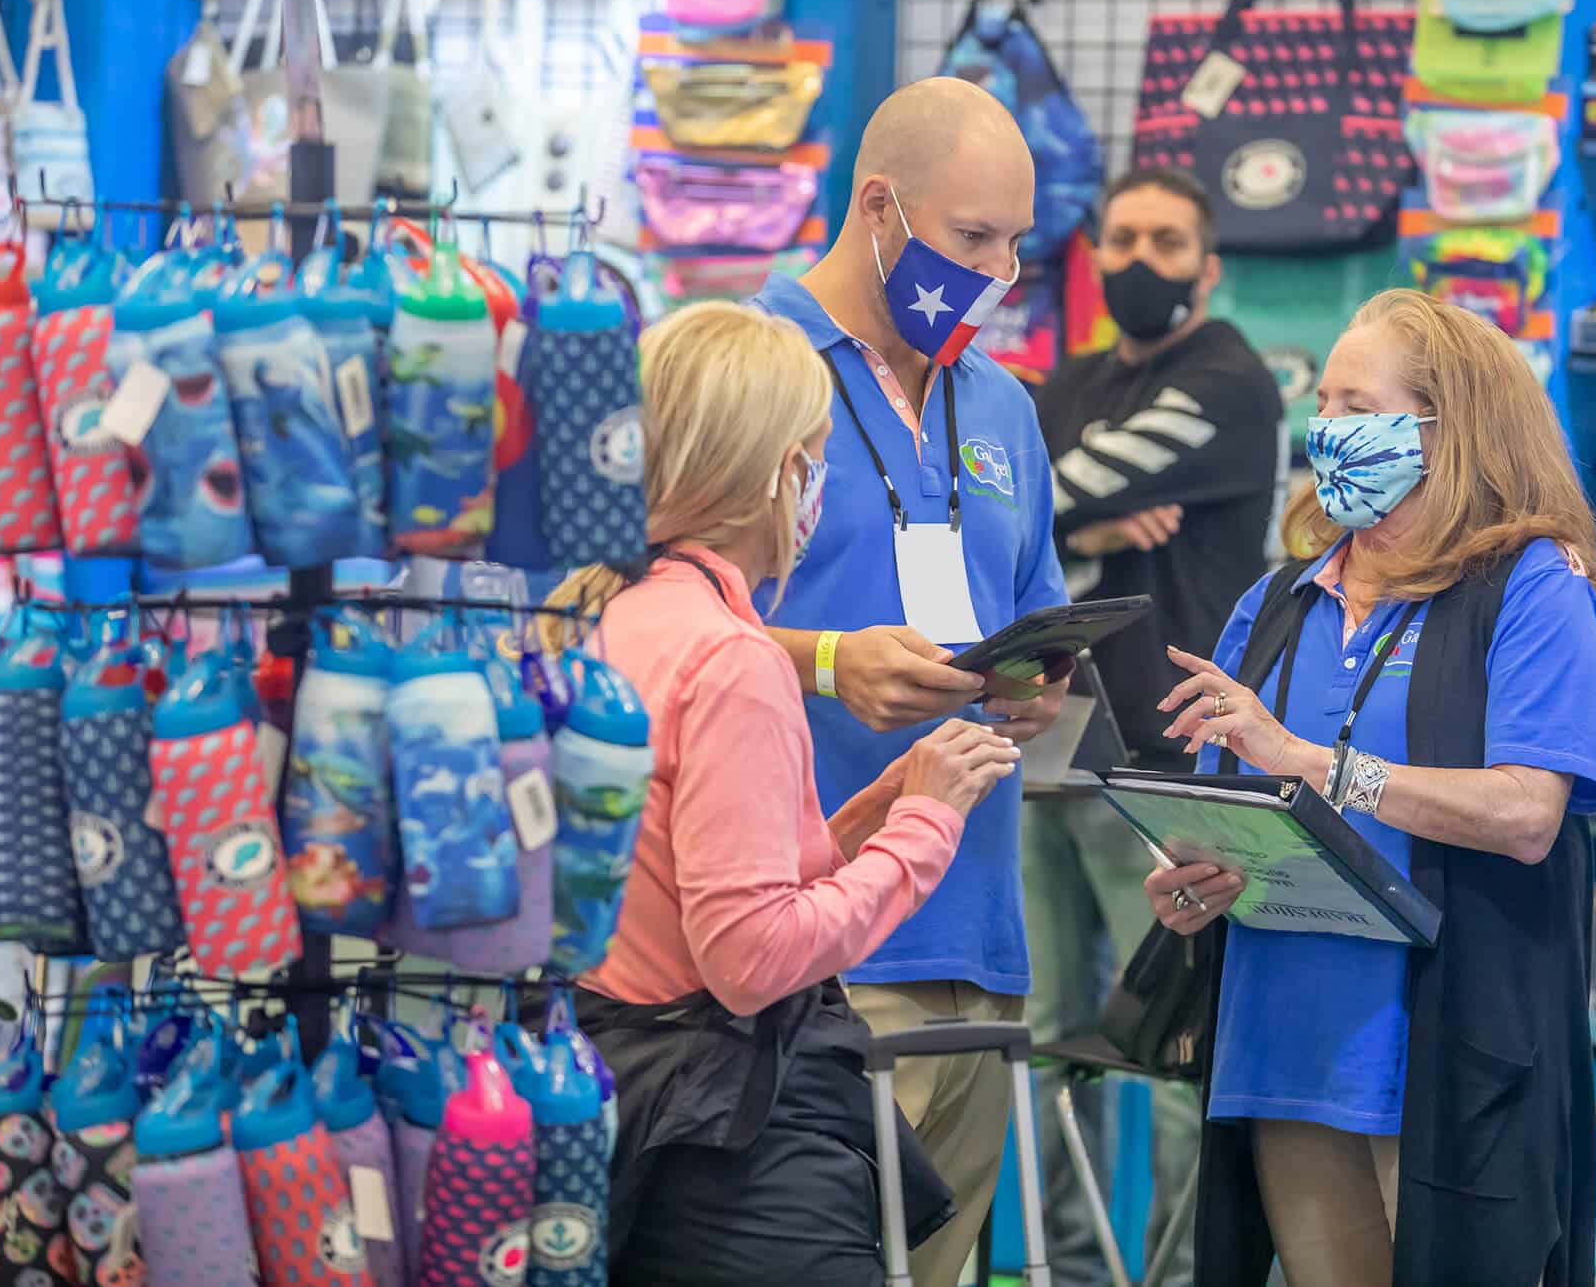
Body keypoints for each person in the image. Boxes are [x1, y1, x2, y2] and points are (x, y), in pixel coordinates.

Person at [537, 301, 1024, 1283]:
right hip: (730, 1142)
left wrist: (864, 816)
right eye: (813, 456)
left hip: (619, 1089)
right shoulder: (729, 659)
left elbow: (686, 875)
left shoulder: (602, 619)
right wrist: (923, 828)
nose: (820, 483)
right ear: (774, 474)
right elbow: (750, 957)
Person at [1144, 289, 1596, 1287]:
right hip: (1283, 1053)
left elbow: (1528, 812)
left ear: (1448, 429)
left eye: (1355, 405)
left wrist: (1315, 765)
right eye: (1321, 401)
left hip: (1448, 1065)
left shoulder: (1532, 589)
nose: (1326, 428)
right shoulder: (1277, 601)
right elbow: (1226, 803)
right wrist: (1188, 870)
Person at [752, 77, 1072, 1287]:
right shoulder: (754, 366)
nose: (996, 273)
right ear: (876, 206)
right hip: (805, 951)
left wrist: (1034, 678)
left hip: (977, 938)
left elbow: (1028, 610)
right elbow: (637, 620)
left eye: (1012, 244)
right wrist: (829, 664)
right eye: (970, 240)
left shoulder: (1002, 403)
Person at [1024, 166, 1281, 1286]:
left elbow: (1053, 487)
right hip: (1047, 748)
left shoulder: (1228, 378)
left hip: (1172, 763)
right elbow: (1015, 513)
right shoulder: (1064, 379)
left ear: (1206, 265)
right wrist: (1089, 534)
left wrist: (1070, 516)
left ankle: (1181, 1277)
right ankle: (1058, 1269)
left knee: (1176, 1047)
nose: (1138, 260)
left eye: (1166, 242)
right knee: (1038, 1034)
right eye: (1121, 236)